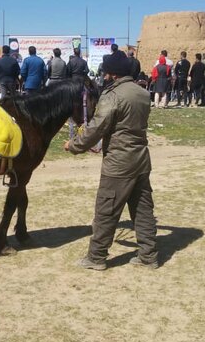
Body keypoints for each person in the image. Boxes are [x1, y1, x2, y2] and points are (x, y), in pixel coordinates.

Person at [64, 51, 158, 270]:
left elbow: (97, 127)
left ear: (112, 74)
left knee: (106, 209)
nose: (104, 76)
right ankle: (149, 255)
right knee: (143, 210)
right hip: (141, 160)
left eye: (106, 72)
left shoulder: (112, 96)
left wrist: (74, 145)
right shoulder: (142, 93)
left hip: (118, 163)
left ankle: (96, 257)